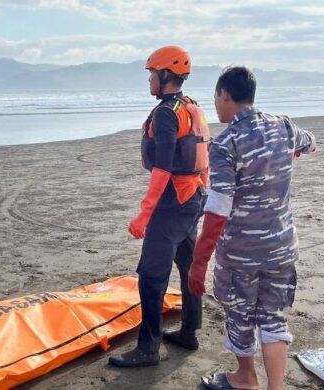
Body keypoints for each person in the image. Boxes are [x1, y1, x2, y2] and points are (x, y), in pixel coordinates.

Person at [188, 66, 317, 390]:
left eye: (216, 98)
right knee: (273, 317)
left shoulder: (226, 143)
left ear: (225, 96)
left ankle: (245, 378)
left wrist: (200, 260)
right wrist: (296, 150)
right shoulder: (283, 126)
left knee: (240, 314)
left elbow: (218, 210)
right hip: (281, 246)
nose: (215, 106)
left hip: (241, 253)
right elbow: (310, 142)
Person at [109, 45, 211, 368]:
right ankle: (190, 332)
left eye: (152, 74)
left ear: (165, 75)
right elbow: (202, 157)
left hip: (172, 203)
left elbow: (163, 169)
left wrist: (144, 213)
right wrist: (201, 194)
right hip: (193, 197)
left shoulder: (167, 113)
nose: (149, 80)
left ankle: (148, 349)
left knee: (152, 277)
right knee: (189, 264)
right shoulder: (192, 107)